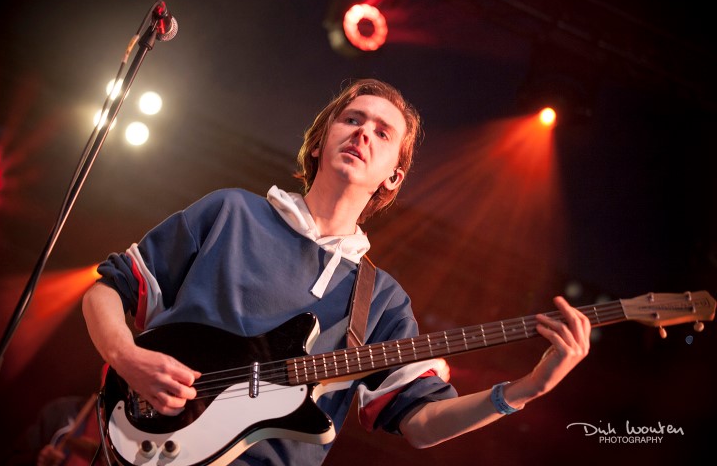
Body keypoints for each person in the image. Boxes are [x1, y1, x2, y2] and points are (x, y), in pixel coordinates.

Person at [81, 78, 591, 465]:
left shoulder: (382, 299)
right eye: (352, 119)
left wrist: (527, 389)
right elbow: (108, 291)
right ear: (320, 141)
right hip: (152, 441)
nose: (364, 132)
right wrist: (125, 355)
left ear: (393, 176)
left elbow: (421, 423)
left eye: (382, 132)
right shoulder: (231, 212)